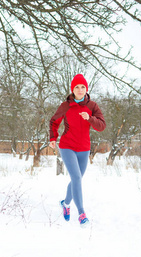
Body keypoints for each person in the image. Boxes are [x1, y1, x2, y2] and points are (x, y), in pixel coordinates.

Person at [49, 74, 106, 226]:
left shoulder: (92, 106)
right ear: (72, 89)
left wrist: (90, 118)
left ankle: (66, 204)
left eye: (83, 87)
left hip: (84, 148)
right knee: (76, 178)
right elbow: (54, 121)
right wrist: (53, 138)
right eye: (77, 87)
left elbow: (101, 126)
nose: (80, 90)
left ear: (86, 89)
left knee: (77, 178)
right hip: (67, 146)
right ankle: (81, 214)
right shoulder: (65, 106)